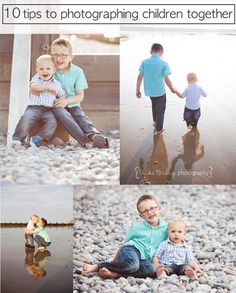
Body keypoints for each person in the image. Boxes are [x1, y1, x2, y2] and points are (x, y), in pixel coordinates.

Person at [81, 194, 168, 278]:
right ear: (141, 216)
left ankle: (115, 274)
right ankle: (96, 267)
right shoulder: (137, 227)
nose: (150, 212)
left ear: (159, 209)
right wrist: (114, 260)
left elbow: (170, 244)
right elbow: (125, 243)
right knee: (133, 265)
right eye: (145, 211)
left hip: (145, 259)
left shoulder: (166, 228)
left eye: (152, 208)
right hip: (132, 249)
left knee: (151, 269)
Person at [49, 37, 109, 148]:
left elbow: (80, 96)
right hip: (56, 106)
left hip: (72, 104)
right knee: (60, 112)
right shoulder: (49, 70)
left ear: (71, 57)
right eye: (55, 55)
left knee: (81, 117)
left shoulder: (77, 72)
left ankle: (94, 135)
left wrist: (67, 100)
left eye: (63, 55)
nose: (58, 58)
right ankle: (86, 141)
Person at [12, 55, 65, 147]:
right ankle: (18, 139)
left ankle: (38, 138)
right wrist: (47, 87)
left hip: (48, 110)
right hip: (33, 108)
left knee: (53, 122)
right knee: (26, 118)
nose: (44, 71)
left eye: (48, 68)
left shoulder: (56, 84)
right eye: (41, 69)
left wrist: (61, 100)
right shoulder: (36, 79)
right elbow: (34, 87)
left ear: (54, 70)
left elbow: (62, 94)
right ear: (37, 70)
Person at [136, 43, 175, 135]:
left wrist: (137, 90)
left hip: (149, 91)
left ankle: (155, 121)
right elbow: (166, 79)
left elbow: (140, 77)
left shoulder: (144, 62)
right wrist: (172, 88)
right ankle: (159, 129)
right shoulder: (164, 63)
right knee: (161, 109)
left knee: (154, 105)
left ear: (150, 52)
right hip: (160, 92)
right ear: (162, 52)